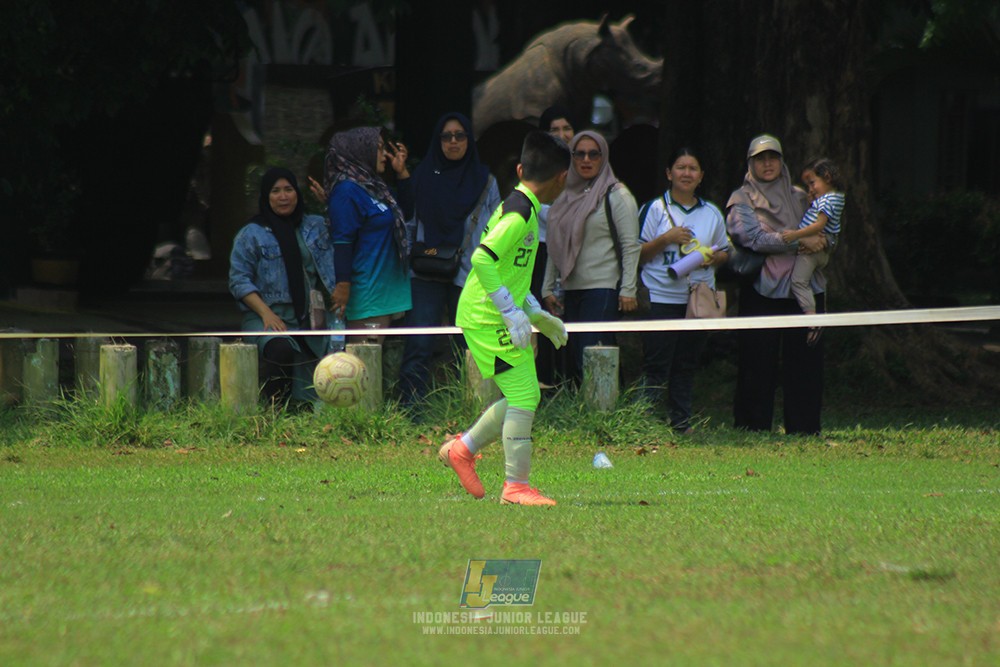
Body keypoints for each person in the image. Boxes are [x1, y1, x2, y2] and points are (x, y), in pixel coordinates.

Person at [438, 130, 571, 506]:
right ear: (563, 177)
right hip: (486, 316)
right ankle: (515, 487)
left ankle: (463, 450)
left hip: (492, 313)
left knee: (524, 394)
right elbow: (482, 259)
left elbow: (509, 272)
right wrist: (511, 312)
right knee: (525, 394)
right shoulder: (521, 213)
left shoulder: (523, 205)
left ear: (520, 170)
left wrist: (535, 313)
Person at [396, 112, 501, 413]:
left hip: (469, 273)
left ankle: (470, 410)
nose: (453, 141)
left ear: (469, 139)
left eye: (460, 135)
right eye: (446, 136)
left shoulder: (485, 180)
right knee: (419, 343)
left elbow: (496, 229)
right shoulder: (423, 175)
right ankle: (411, 410)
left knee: (469, 345)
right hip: (425, 271)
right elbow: (408, 222)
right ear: (438, 140)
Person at [726, 134, 828, 435]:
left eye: (773, 158)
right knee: (757, 361)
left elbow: (825, 232)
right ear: (750, 163)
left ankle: (804, 428)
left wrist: (812, 239)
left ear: (782, 162)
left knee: (806, 363)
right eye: (760, 159)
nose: (767, 164)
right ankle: (752, 427)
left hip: (806, 289)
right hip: (762, 289)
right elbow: (755, 239)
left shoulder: (801, 197)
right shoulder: (741, 199)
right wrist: (800, 240)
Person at [228, 167, 338, 406]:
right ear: (266, 196)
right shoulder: (250, 234)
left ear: (297, 192)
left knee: (328, 365)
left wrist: (329, 204)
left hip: (308, 317)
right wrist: (266, 313)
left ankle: (303, 414)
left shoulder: (315, 226)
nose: (283, 196)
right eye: (276, 191)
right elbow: (239, 281)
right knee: (281, 350)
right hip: (266, 317)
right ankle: (274, 412)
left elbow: (344, 232)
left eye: (288, 189)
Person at [637, 148, 729, 432]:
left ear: (701, 176)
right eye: (680, 167)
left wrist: (715, 258)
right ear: (669, 173)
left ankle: (681, 422)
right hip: (660, 296)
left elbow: (725, 251)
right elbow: (636, 254)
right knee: (656, 364)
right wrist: (666, 238)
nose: (686, 173)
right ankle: (640, 422)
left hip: (697, 299)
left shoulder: (711, 212)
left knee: (686, 363)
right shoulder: (653, 209)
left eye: (693, 169)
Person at [542, 130, 640, 383]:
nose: (586, 160)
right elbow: (556, 244)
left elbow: (631, 246)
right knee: (578, 358)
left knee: (594, 356)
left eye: (593, 154)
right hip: (571, 290)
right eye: (580, 154)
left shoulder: (617, 195)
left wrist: (628, 289)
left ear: (603, 157)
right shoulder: (565, 196)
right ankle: (591, 407)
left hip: (602, 288)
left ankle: (605, 407)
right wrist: (548, 287)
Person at [324, 127, 412, 339]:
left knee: (379, 357)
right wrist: (343, 286)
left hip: (386, 290)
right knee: (364, 356)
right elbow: (343, 242)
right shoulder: (346, 191)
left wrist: (401, 173)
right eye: (379, 148)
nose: (385, 154)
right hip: (367, 293)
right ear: (360, 151)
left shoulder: (373, 186)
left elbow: (405, 213)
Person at [533, 106, 577, 385]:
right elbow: (542, 210)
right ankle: (546, 384)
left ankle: (574, 385)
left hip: (578, 252)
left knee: (574, 318)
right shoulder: (536, 168)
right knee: (544, 317)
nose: (562, 134)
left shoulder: (586, 164)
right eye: (554, 129)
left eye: (567, 128)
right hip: (541, 252)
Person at [780, 157, 845, 342]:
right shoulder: (832, 198)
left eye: (812, 182)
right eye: (807, 185)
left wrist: (796, 235)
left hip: (813, 252)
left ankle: (813, 319)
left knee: (798, 282)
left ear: (827, 177)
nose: (810, 189)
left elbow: (819, 225)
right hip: (820, 250)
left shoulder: (828, 200)